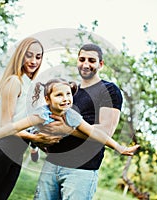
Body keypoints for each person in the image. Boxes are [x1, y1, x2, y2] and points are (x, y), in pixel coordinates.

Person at [33, 43, 138, 200]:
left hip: (81, 171)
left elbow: (105, 132)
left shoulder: (109, 90)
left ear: (100, 64)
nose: (86, 64)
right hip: (52, 165)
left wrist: (67, 129)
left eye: (91, 60)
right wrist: (42, 140)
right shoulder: (70, 93)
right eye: (82, 59)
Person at [0, 37, 61, 200]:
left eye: (38, 57)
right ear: (20, 55)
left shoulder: (31, 86)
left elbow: (28, 123)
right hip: (1, 148)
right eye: (29, 55)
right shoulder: (14, 81)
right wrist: (34, 138)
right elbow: (5, 126)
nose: (34, 61)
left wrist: (39, 140)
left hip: (17, 152)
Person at [0, 78, 139, 156]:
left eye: (68, 95)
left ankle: (36, 147)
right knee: (35, 135)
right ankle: (34, 147)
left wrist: (119, 147)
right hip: (34, 131)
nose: (66, 99)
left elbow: (94, 132)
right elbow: (13, 127)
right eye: (59, 95)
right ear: (48, 100)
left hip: (52, 135)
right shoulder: (42, 113)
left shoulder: (72, 115)